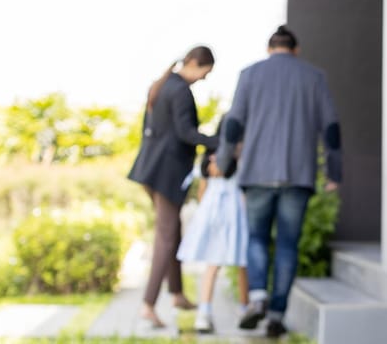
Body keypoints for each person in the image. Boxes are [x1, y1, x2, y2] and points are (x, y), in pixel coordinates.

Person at [215, 25, 342, 338]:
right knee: (287, 245)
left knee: (257, 239)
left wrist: (223, 161)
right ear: (295, 49)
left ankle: (257, 298)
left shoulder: (249, 74)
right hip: (297, 176)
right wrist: (334, 172)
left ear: (269, 48)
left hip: (256, 174)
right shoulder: (314, 77)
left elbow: (233, 124)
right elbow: (331, 128)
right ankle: (275, 315)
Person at [128, 45, 218, 328]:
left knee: (172, 231)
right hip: (166, 173)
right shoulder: (179, 90)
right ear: (194, 63)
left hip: (150, 169)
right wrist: (220, 142)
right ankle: (148, 304)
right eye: (204, 73)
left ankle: (177, 293)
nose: (203, 79)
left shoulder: (162, 84)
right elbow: (185, 133)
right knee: (166, 238)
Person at [176, 126, 249, 334]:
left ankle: (204, 314)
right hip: (236, 211)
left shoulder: (209, 156)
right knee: (243, 262)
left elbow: (202, 190)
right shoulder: (241, 155)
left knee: (212, 264)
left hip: (212, 212)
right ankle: (244, 310)